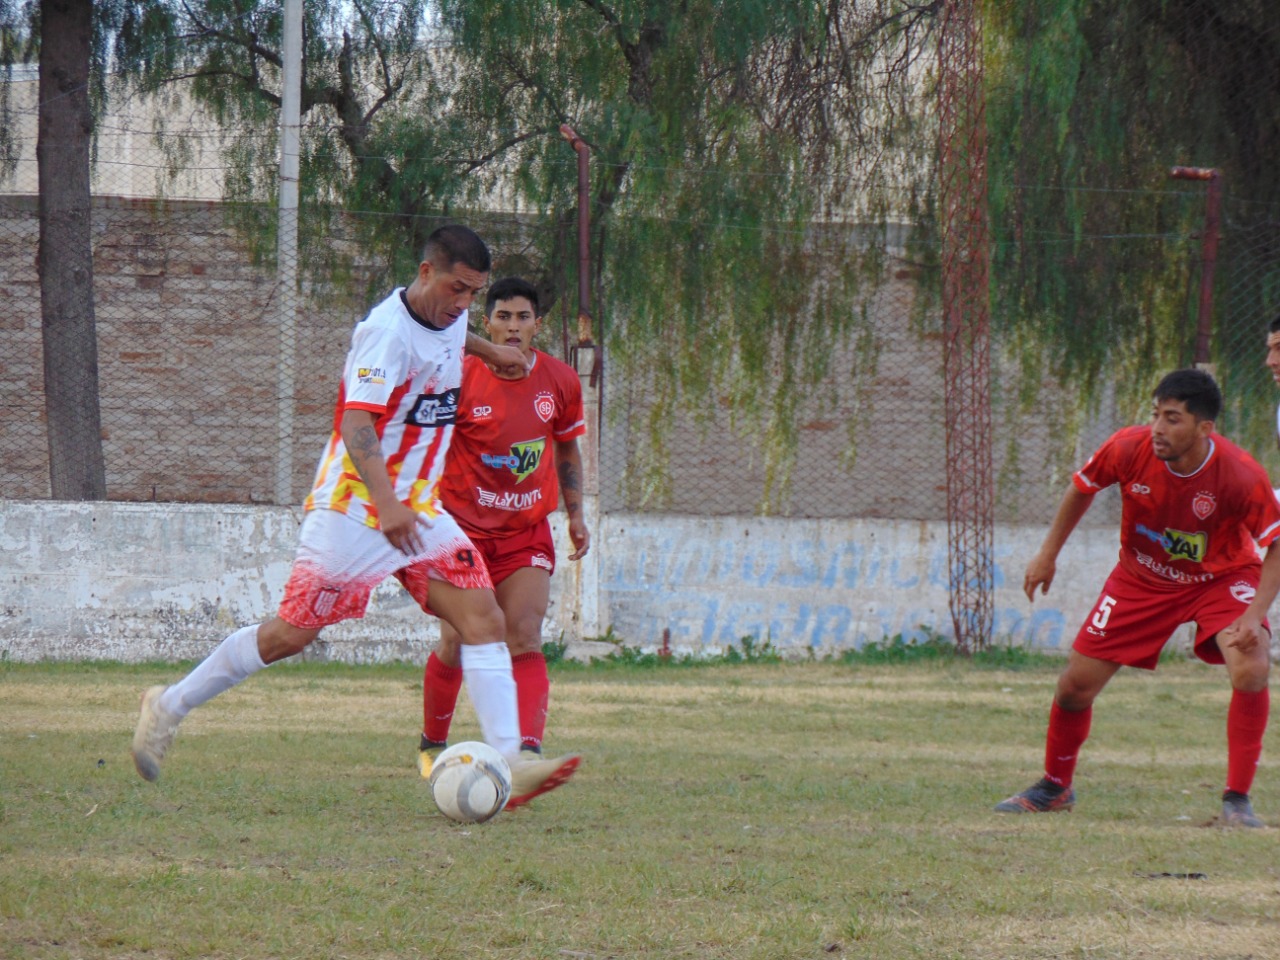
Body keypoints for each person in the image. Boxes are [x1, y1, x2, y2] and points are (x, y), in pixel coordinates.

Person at [130, 225, 578, 807]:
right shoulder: (385, 335)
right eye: (458, 290)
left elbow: (446, 338)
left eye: (475, 293)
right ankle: (168, 706)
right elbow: (356, 423)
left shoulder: (443, 319)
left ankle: (511, 758)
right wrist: (387, 504)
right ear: (425, 274)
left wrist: (488, 349)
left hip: (420, 511)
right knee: (291, 634)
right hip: (358, 507)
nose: (465, 304)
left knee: (484, 619)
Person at [996, 368, 1280, 826]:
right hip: (1141, 579)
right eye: (1155, 415)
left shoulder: (1241, 474)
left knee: (1252, 663)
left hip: (1220, 580)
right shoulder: (1129, 447)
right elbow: (1082, 487)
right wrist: (1047, 553)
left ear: (1204, 428)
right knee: (1074, 686)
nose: (1158, 429)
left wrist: (1255, 614)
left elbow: (1275, 543)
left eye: (1172, 419)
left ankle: (1237, 802)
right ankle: (1054, 787)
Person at [418, 277, 589, 791]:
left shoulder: (560, 382)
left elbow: (566, 450)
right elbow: (426, 440)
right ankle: (431, 744)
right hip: (462, 532)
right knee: (456, 641)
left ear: (538, 324)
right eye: (503, 318)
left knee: (525, 634)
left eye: (523, 318)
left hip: (524, 532)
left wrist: (575, 514)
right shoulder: (458, 374)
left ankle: (526, 754)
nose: (512, 327)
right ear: (485, 323)